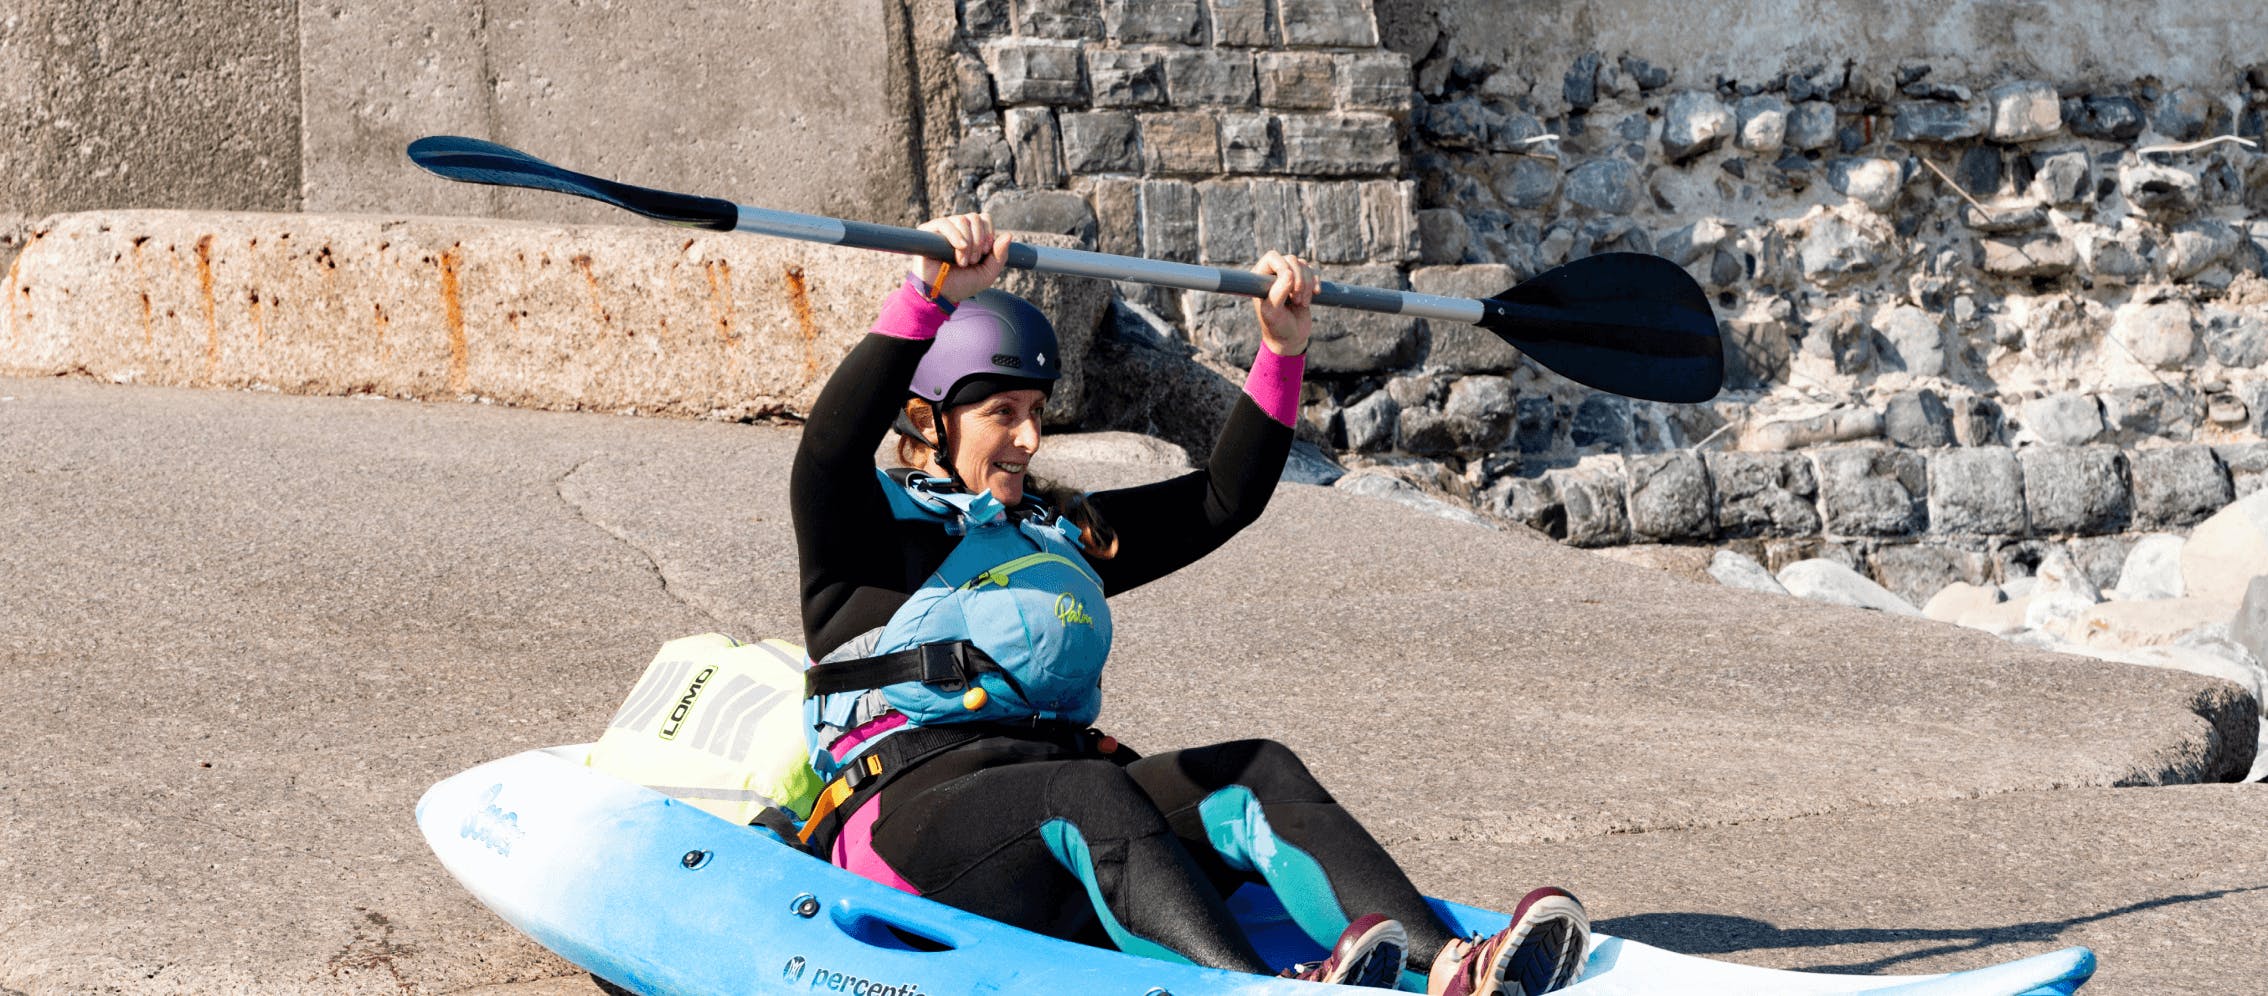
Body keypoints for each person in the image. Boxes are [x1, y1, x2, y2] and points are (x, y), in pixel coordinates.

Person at [788, 212, 1590, 994]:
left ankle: (1450, 967)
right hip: (912, 832)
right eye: (1002, 413)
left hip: (1067, 836)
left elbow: (1221, 498)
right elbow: (828, 446)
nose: (1029, 440)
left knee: (1256, 768)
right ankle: (1252, 990)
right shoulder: (865, 539)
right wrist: (928, 298)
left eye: (1035, 412)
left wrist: (1282, 349)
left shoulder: (1060, 537)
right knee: (1088, 792)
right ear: (928, 419)